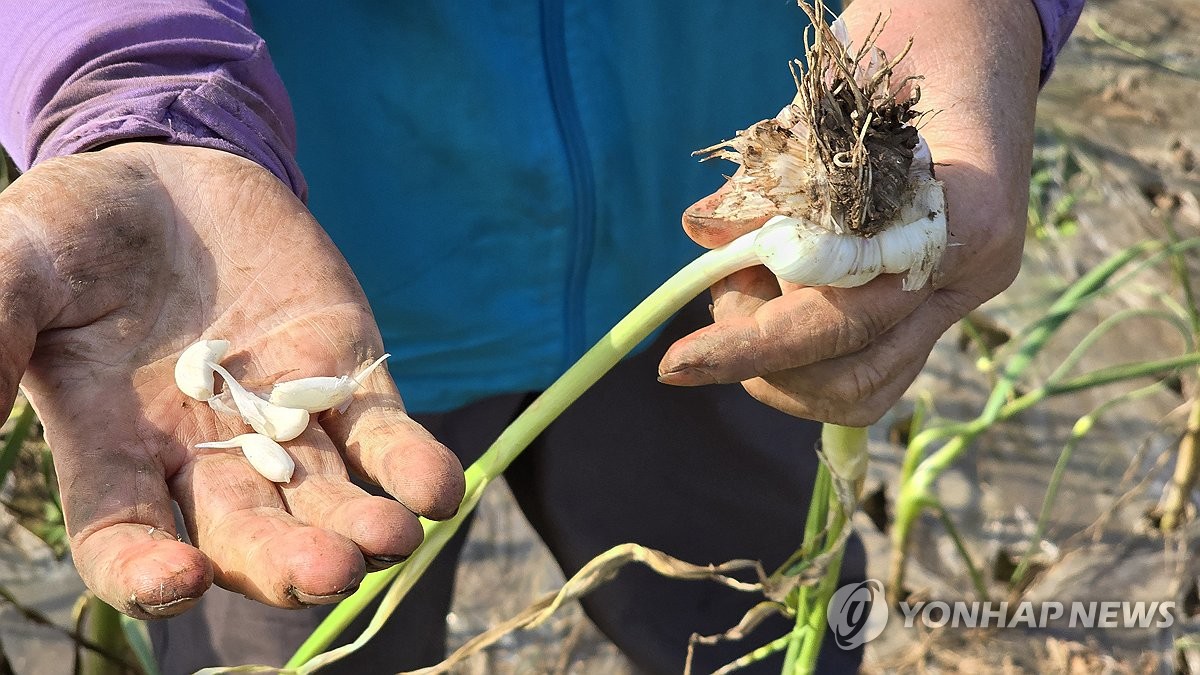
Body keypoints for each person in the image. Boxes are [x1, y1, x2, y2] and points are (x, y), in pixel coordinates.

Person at [0, 0, 1082, 672]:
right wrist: (136, 91)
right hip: (306, 294)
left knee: (760, 632)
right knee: (306, 625)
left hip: (718, 268)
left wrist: (975, 11)